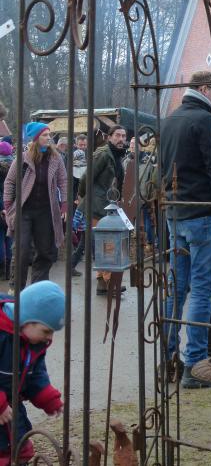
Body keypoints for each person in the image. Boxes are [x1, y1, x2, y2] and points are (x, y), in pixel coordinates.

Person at [160, 70, 211, 388]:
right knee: (202, 288)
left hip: (176, 214)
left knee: (176, 288)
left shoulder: (171, 120)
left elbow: (163, 170)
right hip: (203, 214)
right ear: (204, 88)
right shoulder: (204, 120)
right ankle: (196, 365)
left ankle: (167, 359)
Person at [0, 280, 64, 465]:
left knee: (20, 450)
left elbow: (35, 373)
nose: (50, 338)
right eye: (47, 330)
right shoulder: (3, 336)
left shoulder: (34, 343)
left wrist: (47, 397)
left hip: (13, 411)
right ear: (27, 319)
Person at [3, 123, 67, 287]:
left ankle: (39, 289)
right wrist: (8, 205)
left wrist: (65, 205)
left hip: (46, 211)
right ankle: (16, 289)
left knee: (44, 251)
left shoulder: (55, 158)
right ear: (36, 138)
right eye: (45, 135)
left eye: (49, 135)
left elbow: (63, 181)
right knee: (22, 251)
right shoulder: (23, 158)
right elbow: (10, 182)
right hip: (24, 211)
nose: (49, 138)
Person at [76, 124, 127, 292]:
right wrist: (84, 197)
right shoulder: (104, 154)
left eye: (123, 136)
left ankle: (103, 282)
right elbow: (86, 177)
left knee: (105, 242)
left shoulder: (118, 155)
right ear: (109, 137)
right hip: (97, 205)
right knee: (105, 242)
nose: (121, 139)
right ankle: (108, 280)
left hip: (109, 206)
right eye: (117, 135)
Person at [0, 143, 13, 280]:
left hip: (2, 208)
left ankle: (1, 268)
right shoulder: (16, 166)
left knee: (0, 237)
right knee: (9, 238)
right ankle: (9, 271)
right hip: (12, 208)